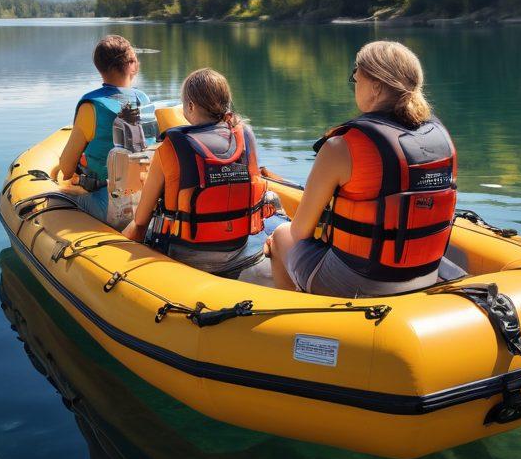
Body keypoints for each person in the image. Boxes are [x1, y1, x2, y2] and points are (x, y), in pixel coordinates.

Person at [267, 40, 458, 297]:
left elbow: (299, 231)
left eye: (355, 79)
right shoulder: (441, 138)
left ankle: (297, 321)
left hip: (361, 283)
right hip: (426, 275)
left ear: (376, 87)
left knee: (280, 235)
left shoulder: (340, 146)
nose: (354, 85)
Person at [123, 68, 268, 276]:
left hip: (186, 256)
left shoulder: (171, 146)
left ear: (190, 106)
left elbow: (141, 221)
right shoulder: (245, 135)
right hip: (238, 247)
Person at [52, 35, 149, 221]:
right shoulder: (144, 101)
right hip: (147, 202)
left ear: (99, 67)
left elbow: (66, 168)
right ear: (132, 65)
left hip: (110, 207)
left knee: (56, 199)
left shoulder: (92, 106)